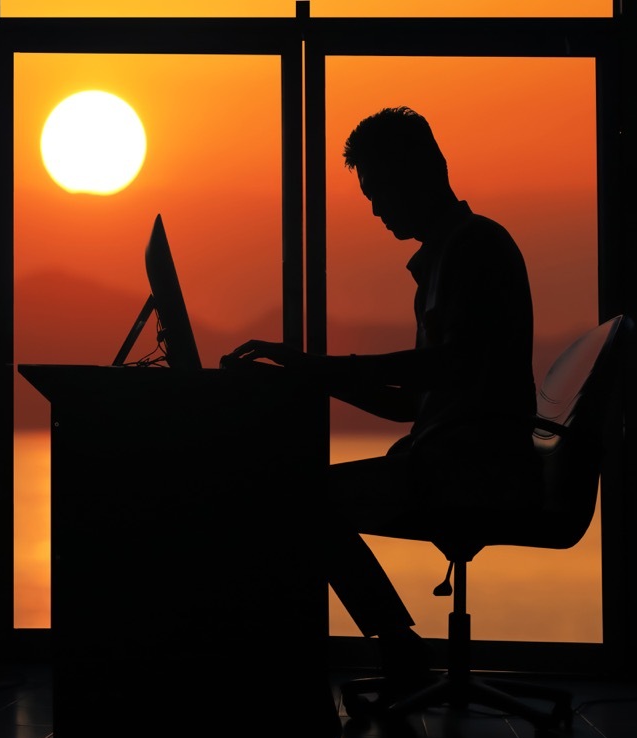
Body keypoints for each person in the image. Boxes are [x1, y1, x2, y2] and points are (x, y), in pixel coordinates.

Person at [221, 106, 540, 687]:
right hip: (453, 459)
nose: (374, 207)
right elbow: (411, 403)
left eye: (381, 188)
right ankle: (396, 646)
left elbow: (454, 366)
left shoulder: (475, 249)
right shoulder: (449, 258)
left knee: (296, 497)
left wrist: (321, 368)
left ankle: (386, 649)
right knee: (302, 495)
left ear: (427, 170)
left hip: (472, 469)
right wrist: (315, 378)